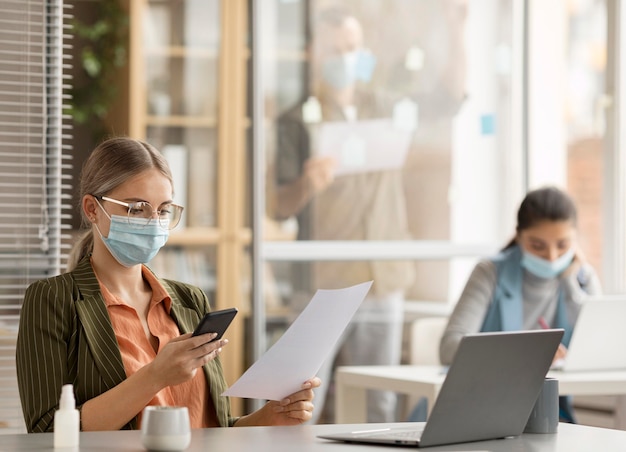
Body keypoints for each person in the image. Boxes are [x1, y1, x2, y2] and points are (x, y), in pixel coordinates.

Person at [16, 137, 321, 433]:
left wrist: (269, 417)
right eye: (136, 208)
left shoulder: (190, 300)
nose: (152, 221)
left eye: (162, 210)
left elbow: (211, 427)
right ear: (93, 209)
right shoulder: (52, 299)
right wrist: (155, 376)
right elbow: (47, 430)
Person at [271, 7, 414, 423]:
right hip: (324, 282)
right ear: (315, 53)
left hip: (384, 277)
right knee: (300, 399)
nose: (345, 57)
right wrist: (305, 185)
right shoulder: (295, 121)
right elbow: (277, 206)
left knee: (380, 403)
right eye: (335, 49)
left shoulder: (388, 110)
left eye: (352, 47)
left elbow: (446, 100)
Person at [439, 186, 602, 422]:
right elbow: (449, 348)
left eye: (563, 245)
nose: (552, 257)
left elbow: (598, 345)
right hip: (478, 407)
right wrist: (530, 353)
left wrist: (570, 285)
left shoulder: (582, 278)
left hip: (548, 413)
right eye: (538, 245)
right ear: (518, 235)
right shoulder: (490, 272)